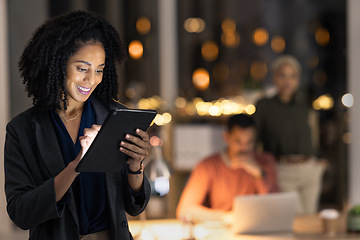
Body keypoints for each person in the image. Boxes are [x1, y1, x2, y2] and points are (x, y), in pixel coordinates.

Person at [4, 11, 151, 240]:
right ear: (58, 63)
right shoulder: (22, 130)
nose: (91, 79)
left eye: (99, 70)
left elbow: (134, 206)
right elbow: (20, 213)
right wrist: (76, 166)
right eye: (82, 68)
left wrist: (136, 165)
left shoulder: (115, 117)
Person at [254, 55, 325, 215]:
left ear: (298, 79)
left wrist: (320, 159)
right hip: (282, 169)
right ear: (274, 77)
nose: (287, 81)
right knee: (294, 218)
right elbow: (255, 138)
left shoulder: (304, 104)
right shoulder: (265, 106)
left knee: (309, 218)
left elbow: (314, 133)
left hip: (309, 168)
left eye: (292, 76)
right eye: (282, 75)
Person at [176, 114, 278, 222]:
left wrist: (259, 175)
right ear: (226, 137)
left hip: (257, 229)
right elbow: (184, 210)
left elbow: (276, 208)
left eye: (249, 142)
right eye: (238, 142)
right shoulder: (208, 166)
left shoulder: (265, 162)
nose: (244, 148)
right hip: (220, 230)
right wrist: (226, 218)